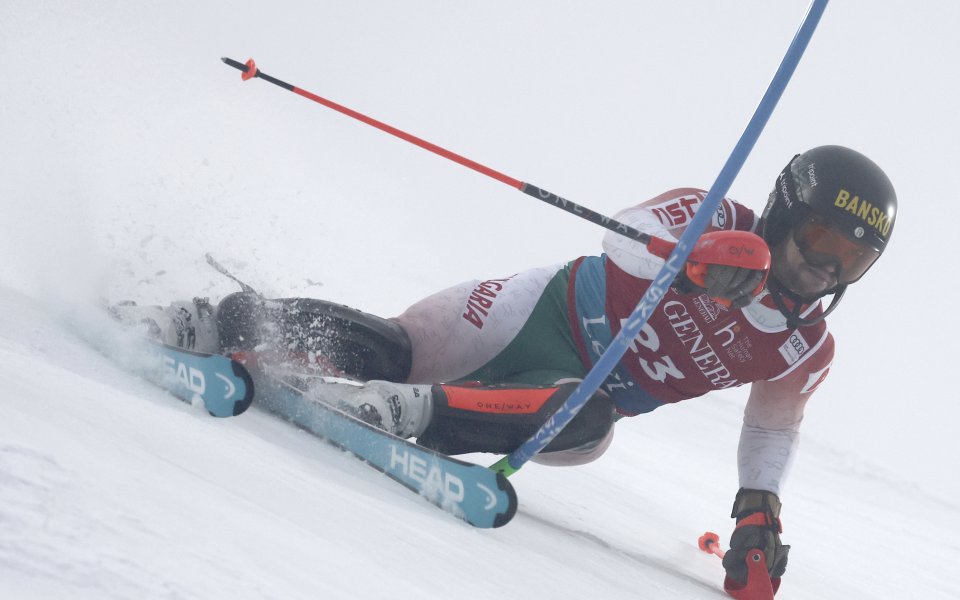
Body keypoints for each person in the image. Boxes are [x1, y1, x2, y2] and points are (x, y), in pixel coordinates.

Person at [112, 145, 896, 586]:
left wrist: (757, 511)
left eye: (853, 259)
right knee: (398, 348)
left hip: (567, 398)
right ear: (789, 213)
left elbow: (772, 430)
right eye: (823, 242)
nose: (828, 269)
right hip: (537, 314)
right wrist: (691, 259)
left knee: (590, 428)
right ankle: (216, 320)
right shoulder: (717, 213)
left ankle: (400, 415)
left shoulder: (804, 347)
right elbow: (618, 234)